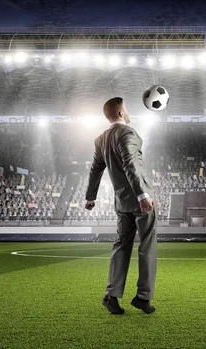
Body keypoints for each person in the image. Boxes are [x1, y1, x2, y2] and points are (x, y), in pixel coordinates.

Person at [85, 97, 157, 315]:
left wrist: (90, 197)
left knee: (121, 245)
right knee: (148, 244)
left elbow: (95, 169)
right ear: (120, 114)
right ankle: (143, 297)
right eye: (126, 109)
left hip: (121, 202)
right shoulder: (127, 133)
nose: (128, 112)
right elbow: (130, 163)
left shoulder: (101, 139)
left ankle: (112, 295)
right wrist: (142, 194)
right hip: (140, 200)